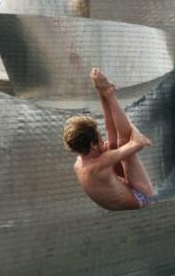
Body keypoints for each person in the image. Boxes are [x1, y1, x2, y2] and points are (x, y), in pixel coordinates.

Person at [63, 68, 154, 211]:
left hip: (120, 187)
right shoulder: (100, 164)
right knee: (123, 142)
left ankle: (105, 92)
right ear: (93, 145)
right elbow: (138, 142)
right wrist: (136, 131)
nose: (102, 140)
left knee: (113, 143)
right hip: (141, 196)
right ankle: (109, 94)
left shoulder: (80, 162)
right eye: (99, 139)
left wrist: (101, 93)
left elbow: (110, 132)